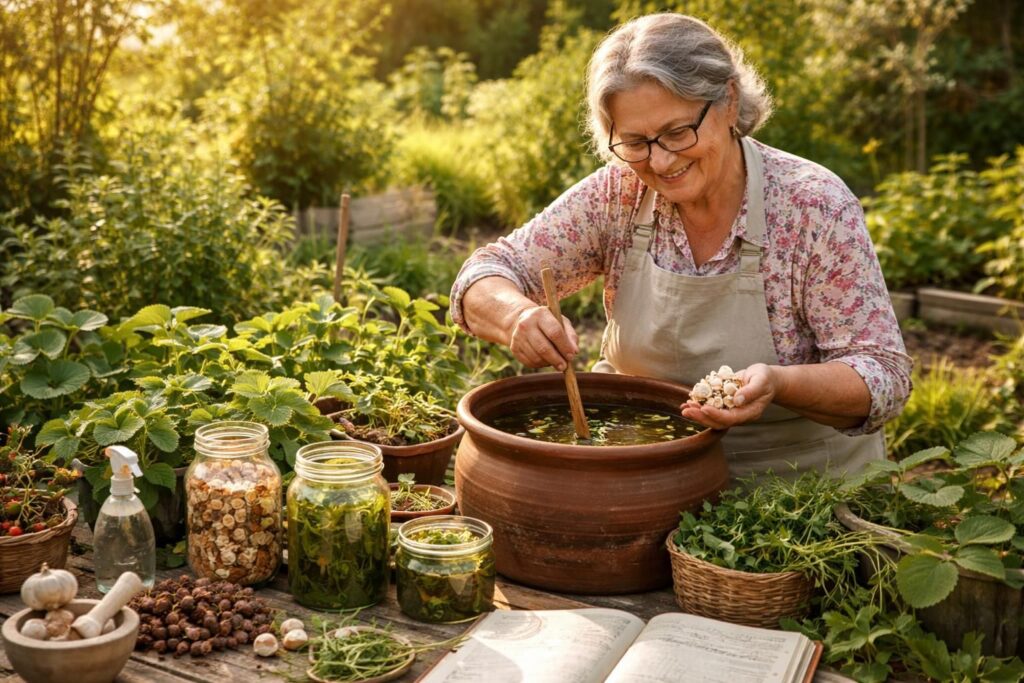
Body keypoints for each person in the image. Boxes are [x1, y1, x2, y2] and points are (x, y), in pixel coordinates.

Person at [450, 13, 912, 480]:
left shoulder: (811, 206)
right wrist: (516, 316)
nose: (660, 160)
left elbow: (883, 376)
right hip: (645, 477)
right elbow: (486, 272)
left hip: (796, 496)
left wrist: (779, 383)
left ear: (728, 100)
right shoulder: (620, 194)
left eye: (677, 133)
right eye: (635, 141)